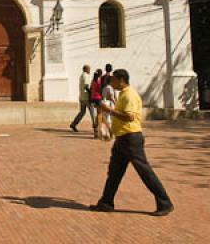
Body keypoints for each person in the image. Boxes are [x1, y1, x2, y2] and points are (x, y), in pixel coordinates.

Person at [90, 69, 173, 216]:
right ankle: (106, 202)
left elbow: (129, 117)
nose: (112, 83)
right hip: (122, 139)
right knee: (114, 172)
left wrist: (108, 110)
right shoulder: (123, 94)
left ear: (121, 80)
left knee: (144, 171)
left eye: (114, 80)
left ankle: (165, 203)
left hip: (131, 138)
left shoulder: (130, 95)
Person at [70, 65, 95, 133]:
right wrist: (91, 94)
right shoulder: (85, 76)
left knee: (82, 112)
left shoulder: (81, 76)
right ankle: (95, 126)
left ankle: (74, 123)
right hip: (86, 97)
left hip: (82, 97)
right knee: (93, 112)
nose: (90, 70)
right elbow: (86, 86)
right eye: (89, 69)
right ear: (86, 69)